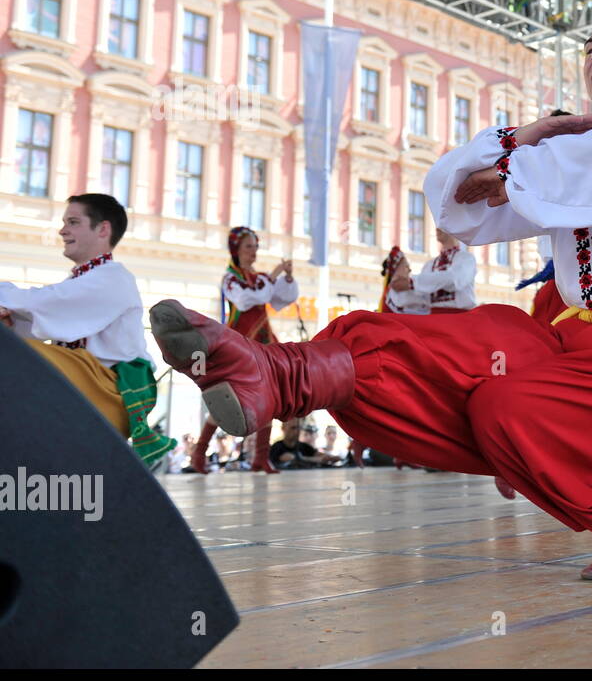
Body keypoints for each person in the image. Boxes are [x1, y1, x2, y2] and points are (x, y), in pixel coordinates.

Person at [148, 10, 592, 581]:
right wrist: (523, 139)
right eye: (590, 45)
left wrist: (522, 169)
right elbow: (459, 210)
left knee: (506, 407)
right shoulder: (554, 160)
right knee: (462, 342)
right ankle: (278, 373)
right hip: (574, 339)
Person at [0, 193, 175, 467]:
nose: (62, 230)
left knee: (19, 357)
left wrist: (7, 304)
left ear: (103, 229)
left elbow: (49, 302)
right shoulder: (84, 280)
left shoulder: (113, 278)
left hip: (109, 389)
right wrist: (9, 319)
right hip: (88, 383)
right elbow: (44, 312)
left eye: (73, 222)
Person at [188, 227, 298, 474]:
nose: (253, 251)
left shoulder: (258, 278)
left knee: (269, 395)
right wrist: (275, 275)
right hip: (238, 345)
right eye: (249, 246)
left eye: (256, 247)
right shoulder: (231, 278)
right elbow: (246, 300)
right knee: (228, 399)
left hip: (262, 343)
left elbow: (280, 299)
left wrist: (287, 278)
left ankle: (261, 457)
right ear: (236, 250)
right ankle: (198, 453)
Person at [418, 227, 478, 311]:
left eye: (443, 224)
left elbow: (454, 280)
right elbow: (421, 296)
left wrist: (414, 282)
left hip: (460, 318)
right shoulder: (429, 264)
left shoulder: (466, 259)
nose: (437, 228)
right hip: (434, 318)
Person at [269, 418, 342, 468]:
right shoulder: (277, 447)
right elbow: (290, 459)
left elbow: (320, 455)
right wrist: (317, 459)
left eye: (299, 428)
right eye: (293, 428)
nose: (297, 431)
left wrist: (330, 457)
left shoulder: (304, 446)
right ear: (283, 428)